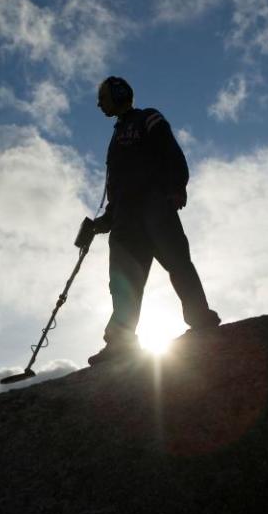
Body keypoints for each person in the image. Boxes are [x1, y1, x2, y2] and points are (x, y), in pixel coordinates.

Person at [86, 76, 220, 366]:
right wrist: (103, 221)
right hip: (124, 220)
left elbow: (171, 151)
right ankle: (120, 342)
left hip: (154, 206)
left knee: (177, 262)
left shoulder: (149, 118)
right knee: (123, 283)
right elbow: (118, 189)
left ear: (119, 94)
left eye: (103, 97)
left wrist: (176, 186)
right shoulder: (116, 136)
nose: (99, 103)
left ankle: (199, 318)